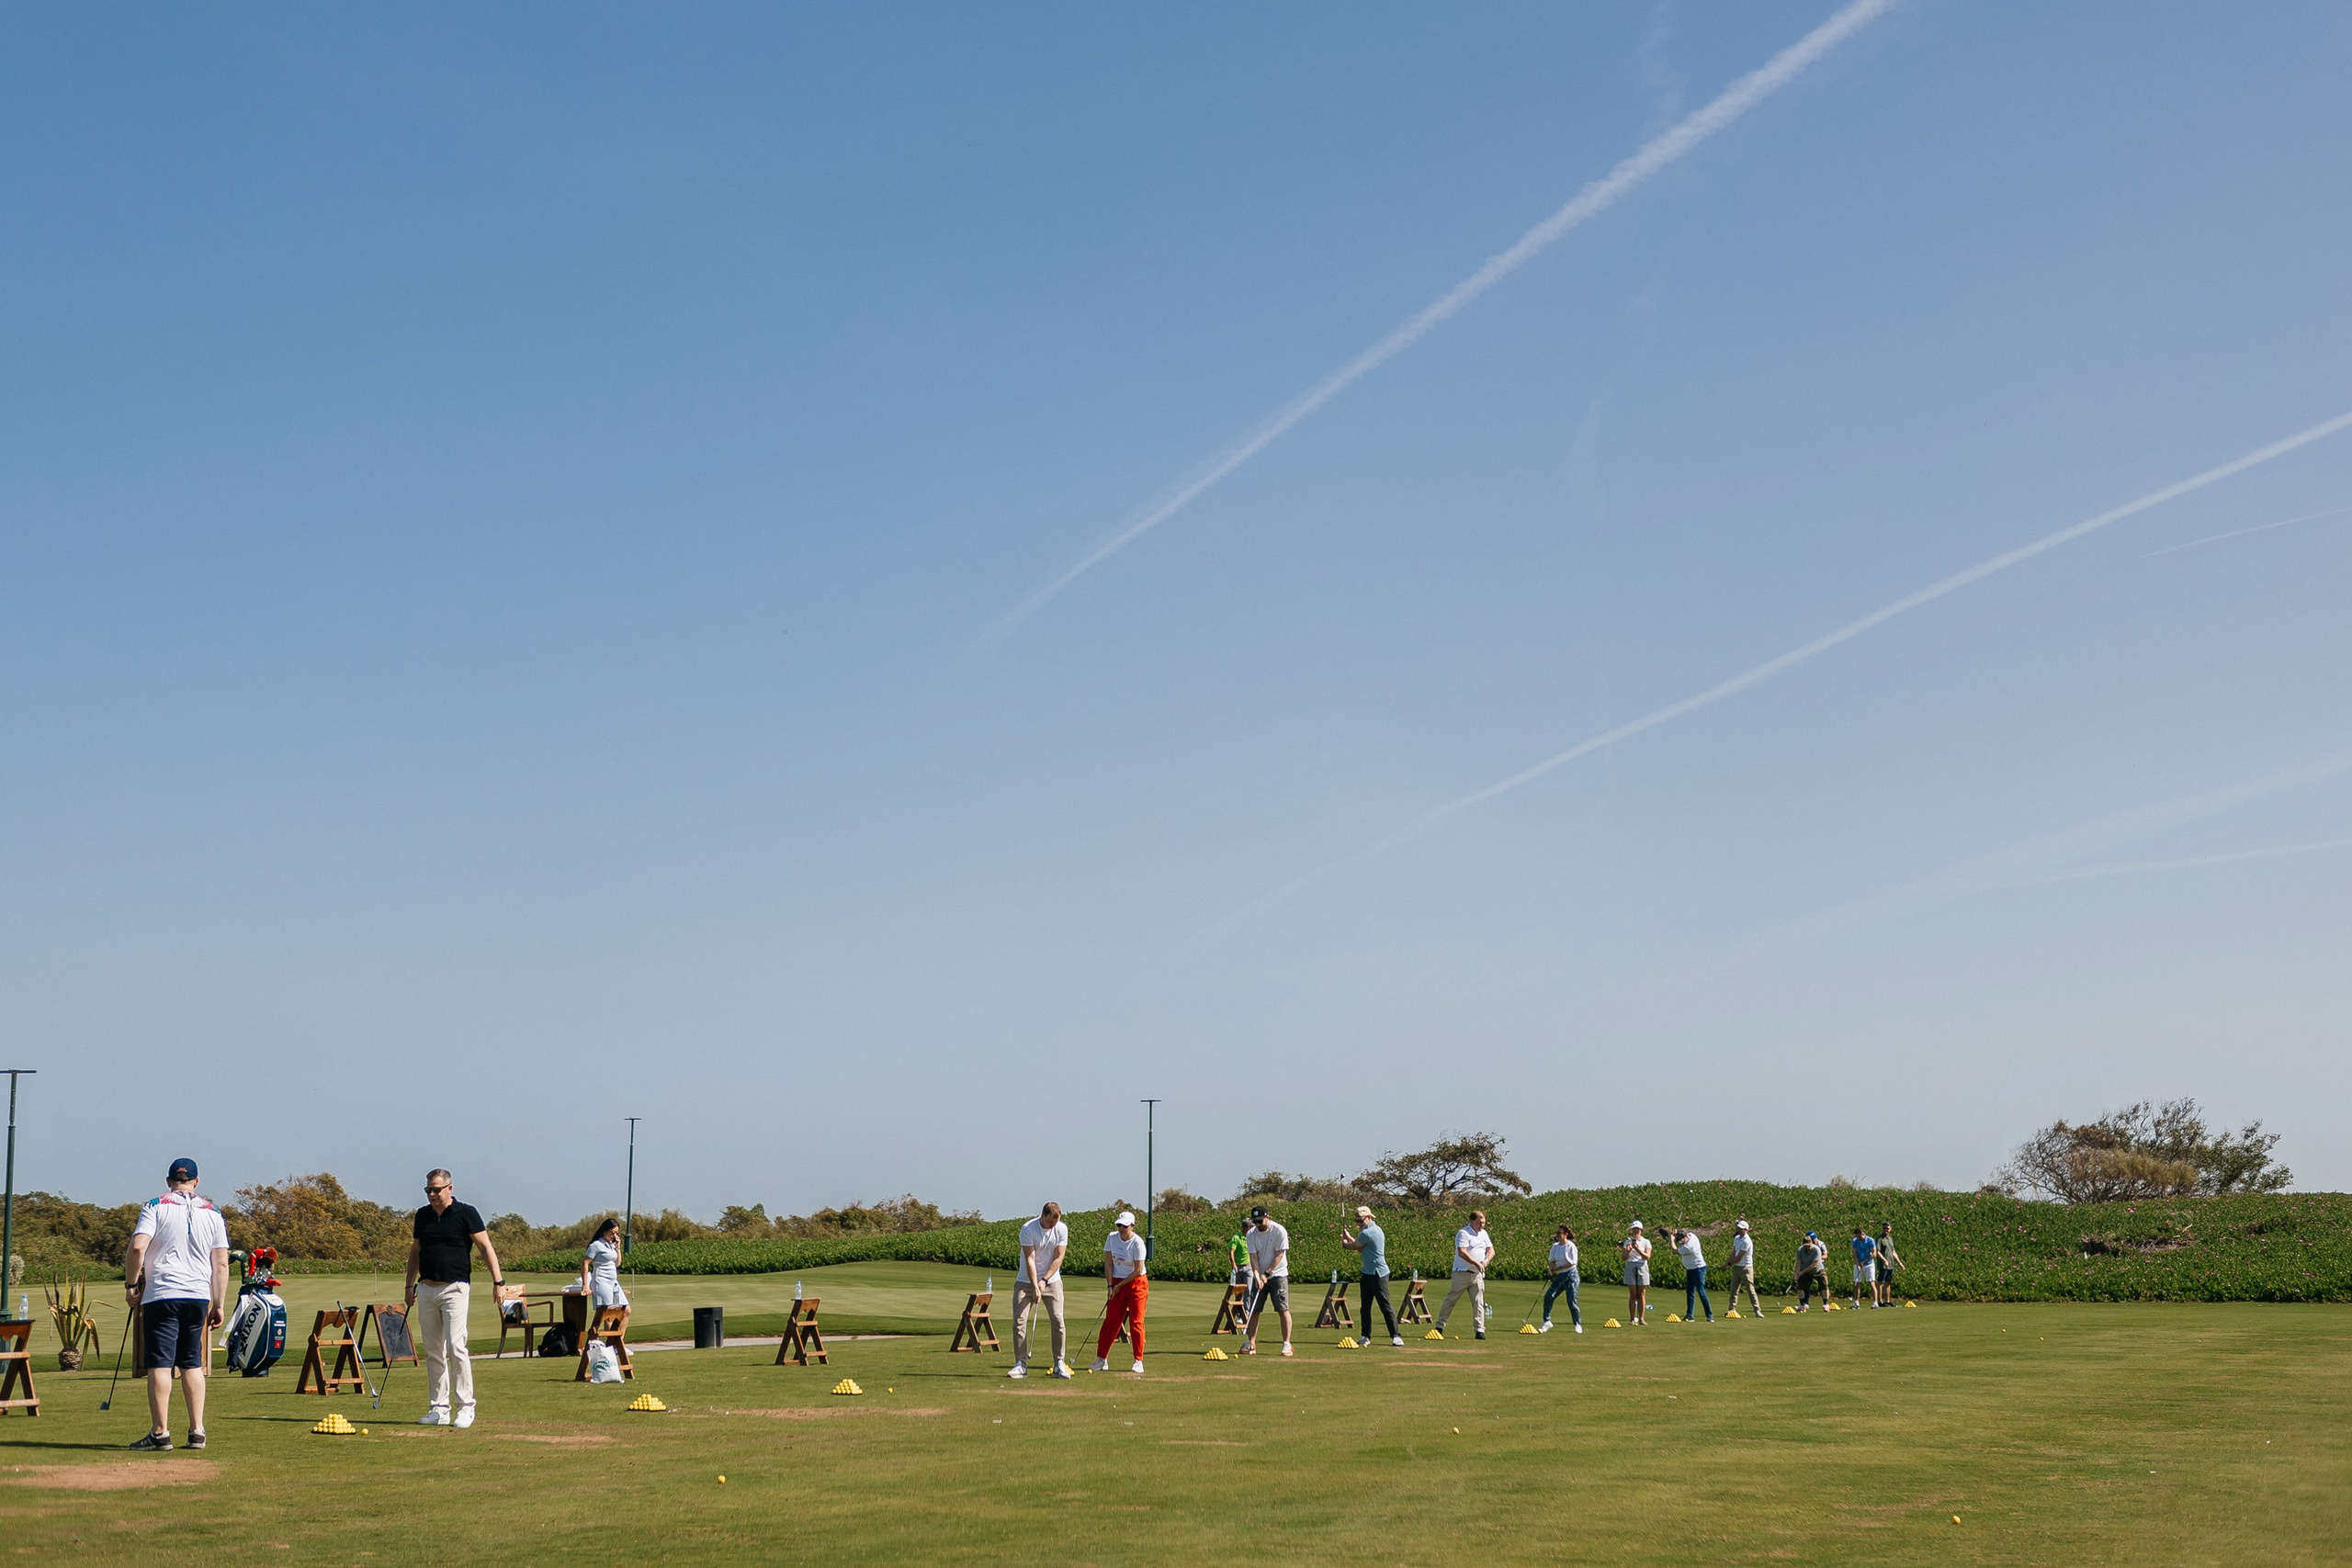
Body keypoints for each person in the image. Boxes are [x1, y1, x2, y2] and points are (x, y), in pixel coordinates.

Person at [121, 1156, 231, 1451]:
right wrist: (218, 1303)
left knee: (160, 1363)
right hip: (198, 1296)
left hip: (163, 1294)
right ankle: (197, 1431)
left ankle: (160, 1433)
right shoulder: (214, 1212)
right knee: (192, 1362)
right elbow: (221, 1263)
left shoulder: (155, 1205)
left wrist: (132, 1284)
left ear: (169, 1180)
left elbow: (137, 1247)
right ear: (196, 1181)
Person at [405, 1168, 505, 1428]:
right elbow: (415, 1252)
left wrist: (499, 1282)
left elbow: (486, 1248)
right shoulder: (423, 1215)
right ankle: (438, 1409)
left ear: (449, 1188)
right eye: (428, 1189)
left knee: (456, 1348)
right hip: (426, 1289)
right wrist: (408, 1286)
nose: (431, 1194)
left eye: (436, 1189)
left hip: (455, 1289)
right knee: (433, 1352)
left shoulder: (466, 1213)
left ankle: (465, 1407)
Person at [1009, 1201, 1070, 1380]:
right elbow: (1030, 1259)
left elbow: (1059, 1258)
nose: (1053, 1226)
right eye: (1051, 1222)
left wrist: (1044, 1280)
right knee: (1019, 1321)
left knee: (1058, 1320)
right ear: (1043, 1216)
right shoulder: (1028, 1229)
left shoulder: (1061, 1229)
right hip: (1025, 1280)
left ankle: (1059, 1363)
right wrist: (1035, 1285)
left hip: (1052, 1281)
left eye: (1056, 1222)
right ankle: (1020, 1364)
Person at [1091, 1211, 1148, 1374]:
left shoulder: (1138, 1243)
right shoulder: (1112, 1238)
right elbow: (1108, 1263)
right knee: (1111, 1321)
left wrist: (1120, 1285)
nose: (1121, 1228)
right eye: (1119, 1225)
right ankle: (1101, 1359)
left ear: (1132, 1226)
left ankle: (1138, 1360)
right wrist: (1110, 1286)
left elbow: (1138, 1270)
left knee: (1136, 1322)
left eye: (1125, 1225)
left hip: (1136, 1283)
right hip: (1116, 1282)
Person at [1340, 1205, 1402, 1347]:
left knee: (1384, 1305)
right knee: (1365, 1307)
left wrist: (1344, 1243)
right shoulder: (1370, 1231)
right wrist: (1349, 1236)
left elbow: (1356, 1246)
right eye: (1357, 1221)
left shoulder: (1369, 1232)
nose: (1359, 1224)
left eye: (1361, 1221)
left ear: (1368, 1217)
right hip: (1367, 1273)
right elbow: (1361, 1247)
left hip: (1378, 1274)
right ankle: (1365, 1335)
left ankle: (1396, 1336)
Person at [1241, 1205, 1293, 1357]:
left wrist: (1266, 1273)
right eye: (1255, 1222)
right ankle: (1251, 1343)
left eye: (1260, 1221)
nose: (1258, 1225)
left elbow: (1279, 1255)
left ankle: (1286, 1344)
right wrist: (1257, 1276)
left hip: (1278, 1274)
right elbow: (1254, 1258)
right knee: (1254, 1310)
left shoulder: (1279, 1230)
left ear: (1267, 1217)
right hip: (1260, 1275)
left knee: (1282, 1309)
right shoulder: (1251, 1234)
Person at [1433, 1211, 1494, 1340]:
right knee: (1451, 1300)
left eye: (1483, 1222)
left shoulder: (1484, 1233)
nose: (1482, 1225)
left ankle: (1479, 1330)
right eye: (1479, 1222)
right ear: (1471, 1221)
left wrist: (1485, 1261)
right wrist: (1476, 1263)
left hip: (1477, 1275)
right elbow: (1462, 1252)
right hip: (1461, 1273)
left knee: (1478, 1302)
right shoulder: (1463, 1233)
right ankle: (1439, 1327)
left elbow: (1491, 1250)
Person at [579, 1217, 628, 1311]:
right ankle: (596, 1326)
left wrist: (618, 1247)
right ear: (604, 1231)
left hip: (613, 1283)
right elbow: (585, 1262)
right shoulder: (596, 1245)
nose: (615, 1236)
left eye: (617, 1233)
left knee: (625, 1310)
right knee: (608, 1312)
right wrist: (585, 1285)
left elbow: (617, 1263)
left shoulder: (611, 1245)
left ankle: (615, 1326)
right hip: (602, 1282)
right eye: (612, 1233)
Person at [1540, 1224, 1580, 1333]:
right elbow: (1552, 1260)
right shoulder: (1555, 1247)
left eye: (1559, 1233)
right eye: (1557, 1233)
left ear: (1565, 1234)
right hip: (1560, 1275)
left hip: (1571, 1275)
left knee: (1571, 1300)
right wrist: (1551, 1269)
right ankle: (1546, 1321)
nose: (1557, 1235)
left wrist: (1558, 1268)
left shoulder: (1571, 1246)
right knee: (1549, 1296)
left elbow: (1572, 1263)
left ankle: (1577, 1323)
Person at [1672, 1226, 1713, 1323]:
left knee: (1701, 1292)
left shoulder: (1688, 1247)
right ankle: (1689, 1315)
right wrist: (1676, 1234)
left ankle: (1710, 1315)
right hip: (1690, 1269)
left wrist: (1672, 1240)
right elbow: (1681, 1239)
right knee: (1690, 1292)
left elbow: (1674, 1251)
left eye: (1682, 1240)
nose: (1680, 1242)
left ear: (1686, 1236)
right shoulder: (1692, 1235)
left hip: (1698, 1269)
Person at [1724, 1219, 1762, 1317]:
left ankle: (1757, 1310)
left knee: (1750, 1289)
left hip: (1746, 1267)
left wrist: (1729, 1264)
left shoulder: (1747, 1241)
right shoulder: (1736, 1238)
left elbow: (1739, 1257)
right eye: (1738, 1228)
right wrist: (1727, 1262)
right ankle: (1731, 1309)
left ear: (1746, 1230)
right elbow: (1734, 1253)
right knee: (1734, 1290)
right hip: (1737, 1267)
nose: (1739, 1230)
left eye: (1741, 1229)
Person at [1622, 1220, 1653, 1325]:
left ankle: (1641, 1318)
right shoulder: (1627, 1242)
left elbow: (1647, 1256)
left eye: (1637, 1229)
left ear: (1641, 1230)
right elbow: (1623, 1257)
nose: (1635, 1231)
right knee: (1633, 1294)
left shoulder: (1646, 1242)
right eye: (1634, 1229)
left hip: (1641, 1266)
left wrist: (1638, 1250)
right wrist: (1629, 1250)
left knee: (1641, 1294)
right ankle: (1632, 1318)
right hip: (1630, 1265)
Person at [1794, 1230, 1829, 1311]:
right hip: (1805, 1268)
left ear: (1812, 1243)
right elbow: (1798, 1262)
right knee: (1801, 1286)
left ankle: (1825, 1304)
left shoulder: (1816, 1250)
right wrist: (1796, 1273)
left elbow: (1814, 1265)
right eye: (1805, 1246)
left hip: (1817, 1269)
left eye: (1809, 1245)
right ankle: (1802, 1305)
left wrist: (1802, 1272)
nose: (1807, 1248)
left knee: (1824, 1284)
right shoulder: (1800, 1250)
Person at [1873, 1223, 1905, 1307]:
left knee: (1888, 1282)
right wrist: (1884, 1260)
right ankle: (1880, 1301)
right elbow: (1877, 1251)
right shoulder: (1880, 1239)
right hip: (1883, 1265)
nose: (1886, 1230)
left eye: (1887, 1228)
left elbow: (1893, 1251)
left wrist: (1900, 1263)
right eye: (1884, 1228)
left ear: (1890, 1229)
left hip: (1891, 1264)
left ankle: (1887, 1300)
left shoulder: (1890, 1239)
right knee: (1881, 1281)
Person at [1849, 1225, 1878, 1309]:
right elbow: (1855, 1254)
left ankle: (1875, 1303)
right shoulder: (1855, 1241)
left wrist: (1863, 1262)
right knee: (1857, 1283)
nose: (1860, 1236)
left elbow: (1874, 1254)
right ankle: (1856, 1303)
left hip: (1869, 1264)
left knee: (1871, 1282)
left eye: (1861, 1234)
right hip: (1859, 1264)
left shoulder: (1870, 1240)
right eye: (1858, 1235)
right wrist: (1858, 1264)